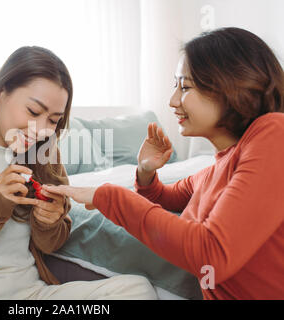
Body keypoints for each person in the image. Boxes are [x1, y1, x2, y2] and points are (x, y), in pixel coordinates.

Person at [43, 28, 284, 300]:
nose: (172, 101)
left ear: (231, 84)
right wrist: (146, 170)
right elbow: (163, 198)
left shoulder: (275, 132)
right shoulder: (213, 170)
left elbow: (212, 254)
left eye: (185, 86)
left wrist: (107, 195)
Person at [0, 46, 157, 300]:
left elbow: (52, 243)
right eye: (34, 112)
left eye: (53, 120)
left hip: (32, 295)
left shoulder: (45, 152)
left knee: (138, 290)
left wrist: (49, 222)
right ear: (0, 92)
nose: (41, 130)